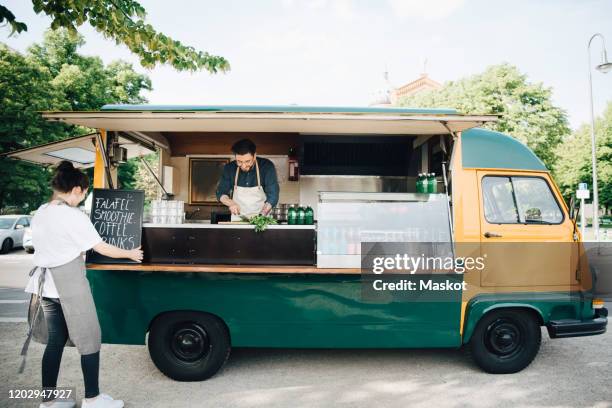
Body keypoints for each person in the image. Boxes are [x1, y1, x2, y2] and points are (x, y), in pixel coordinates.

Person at [22, 161, 143, 408]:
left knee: (55, 341)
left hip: (45, 286)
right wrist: (130, 253)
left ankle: (49, 401)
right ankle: (93, 399)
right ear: (76, 189)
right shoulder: (72, 216)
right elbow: (100, 247)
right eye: (84, 193)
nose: (83, 198)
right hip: (69, 284)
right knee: (90, 339)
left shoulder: (41, 211)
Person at [216, 138, 280, 221]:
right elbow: (221, 193)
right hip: (237, 219)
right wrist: (231, 203)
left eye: (247, 161)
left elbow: (273, 195)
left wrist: (262, 215)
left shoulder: (267, 167)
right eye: (239, 161)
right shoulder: (229, 168)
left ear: (254, 156)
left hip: (261, 219)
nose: (243, 166)